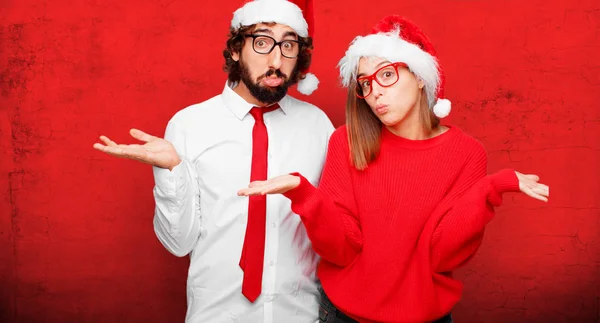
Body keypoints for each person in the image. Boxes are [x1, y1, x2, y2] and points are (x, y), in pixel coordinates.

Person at [238, 15, 550, 323]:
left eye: (386, 75)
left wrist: (489, 190)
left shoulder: (466, 153)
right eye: (365, 83)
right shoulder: (347, 141)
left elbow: (442, 255)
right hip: (341, 316)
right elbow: (343, 250)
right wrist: (304, 194)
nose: (374, 92)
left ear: (420, 77)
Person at [93, 0, 335, 322]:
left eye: (288, 45)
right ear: (236, 50)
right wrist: (170, 171)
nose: (276, 60)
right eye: (262, 43)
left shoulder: (318, 126)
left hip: (299, 315)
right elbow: (178, 244)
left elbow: (336, 230)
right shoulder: (190, 125)